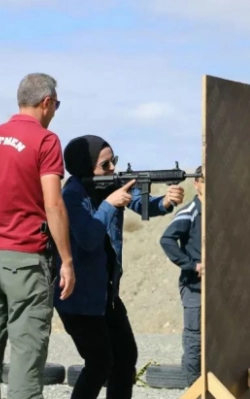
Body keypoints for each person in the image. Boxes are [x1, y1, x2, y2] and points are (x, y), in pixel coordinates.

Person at [0, 72, 76, 399]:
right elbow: (53, 205)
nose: (55, 112)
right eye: (56, 105)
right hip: (26, 260)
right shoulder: (46, 141)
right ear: (47, 102)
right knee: (27, 354)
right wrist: (67, 261)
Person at [54, 135, 185, 399]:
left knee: (125, 358)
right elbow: (89, 239)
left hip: (105, 295)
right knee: (100, 362)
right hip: (77, 298)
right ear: (86, 166)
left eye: (113, 161)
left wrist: (166, 201)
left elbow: (142, 203)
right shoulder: (71, 196)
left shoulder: (111, 185)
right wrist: (109, 205)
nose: (113, 169)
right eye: (105, 165)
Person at [159, 165, 203, 387]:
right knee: (195, 340)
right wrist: (192, 265)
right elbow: (167, 240)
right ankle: (193, 388)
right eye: (204, 180)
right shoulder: (190, 212)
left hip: (218, 289)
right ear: (196, 183)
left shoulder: (223, 212)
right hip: (194, 286)